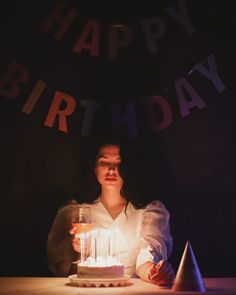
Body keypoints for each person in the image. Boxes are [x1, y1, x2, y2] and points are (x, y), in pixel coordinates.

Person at [47, 137, 175, 286]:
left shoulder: (147, 213)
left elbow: (147, 256)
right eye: (104, 162)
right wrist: (77, 250)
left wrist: (154, 272)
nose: (111, 170)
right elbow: (67, 270)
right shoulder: (79, 214)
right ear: (94, 168)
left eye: (118, 163)